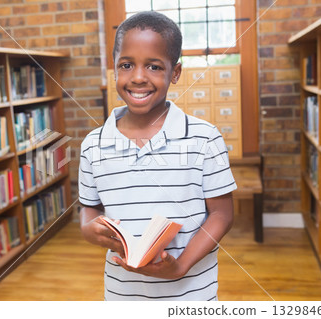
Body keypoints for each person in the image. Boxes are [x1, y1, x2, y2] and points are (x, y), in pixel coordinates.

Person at [78, 11, 236, 301]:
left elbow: (222, 214)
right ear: (114, 68)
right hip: (123, 295)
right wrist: (89, 230)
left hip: (191, 295)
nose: (138, 77)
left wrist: (181, 266)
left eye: (153, 66)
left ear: (175, 73)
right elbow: (90, 208)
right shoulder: (92, 145)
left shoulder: (204, 137)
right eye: (126, 65)